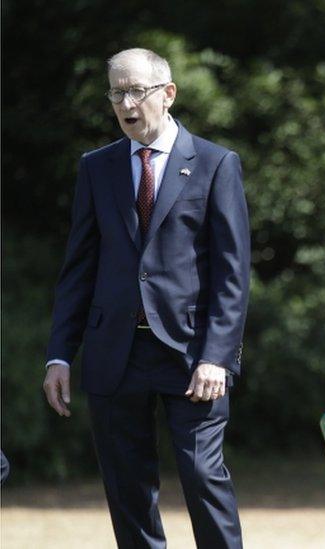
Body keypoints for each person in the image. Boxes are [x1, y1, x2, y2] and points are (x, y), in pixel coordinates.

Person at [42, 48, 250, 549]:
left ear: (168, 93)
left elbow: (232, 272)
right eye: (117, 92)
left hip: (191, 355)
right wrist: (59, 354)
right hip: (114, 351)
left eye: (137, 90)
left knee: (203, 476)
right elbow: (79, 269)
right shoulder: (97, 167)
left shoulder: (216, 164)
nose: (126, 103)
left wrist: (216, 356)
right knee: (127, 488)